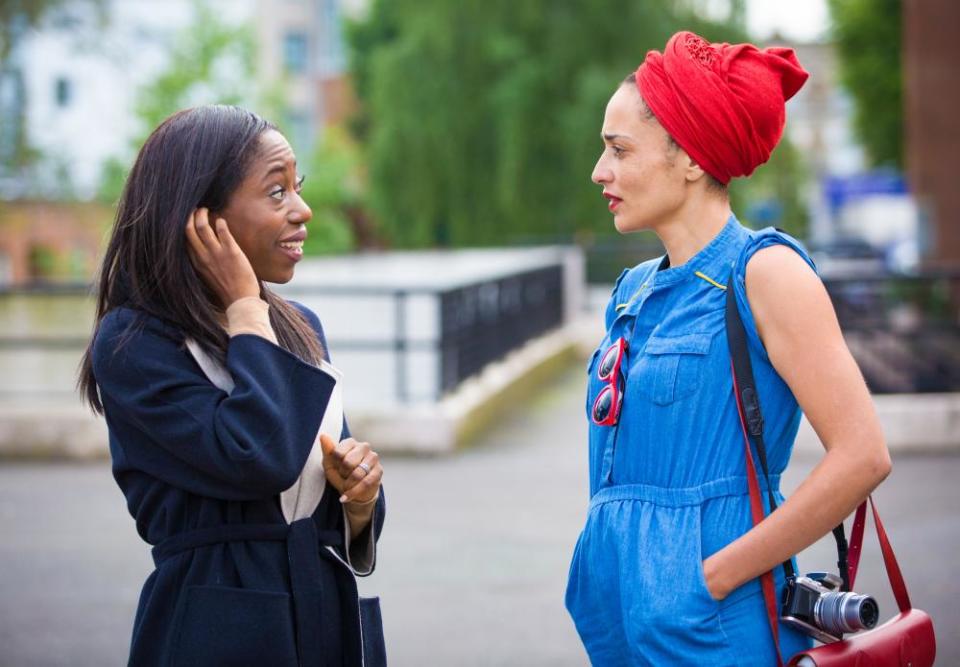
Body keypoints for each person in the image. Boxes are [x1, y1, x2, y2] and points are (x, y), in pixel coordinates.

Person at [564, 31, 892, 665]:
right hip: (616, 617)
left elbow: (863, 455)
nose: (599, 172)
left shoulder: (764, 272)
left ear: (688, 158)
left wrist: (708, 578)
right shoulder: (632, 292)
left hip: (714, 618)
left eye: (619, 149)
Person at [78, 105, 387, 667]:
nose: (303, 210)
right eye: (276, 192)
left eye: (298, 188)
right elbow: (258, 456)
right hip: (218, 626)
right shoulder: (135, 343)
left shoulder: (299, 326)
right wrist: (246, 308)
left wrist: (359, 500)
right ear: (201, 217)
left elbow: (314, 496)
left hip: (321, 615)